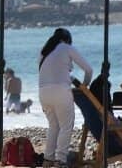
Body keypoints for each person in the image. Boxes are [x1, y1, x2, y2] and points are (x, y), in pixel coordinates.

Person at [38, 28, 92, 168]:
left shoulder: (44, 51)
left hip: (43, 92)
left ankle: (48, 159)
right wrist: (85, 85)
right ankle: (60, 160)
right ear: (67, 39)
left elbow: (56, 71)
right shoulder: (66, 47)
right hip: (61, 92)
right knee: (66, 126)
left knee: (53, 125)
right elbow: (88, 69)